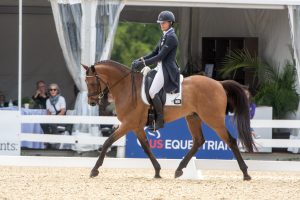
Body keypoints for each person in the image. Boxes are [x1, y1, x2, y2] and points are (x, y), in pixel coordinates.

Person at [131, 10, 180, 130]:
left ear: (170, 23)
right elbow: (154, 52)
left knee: (152, 92)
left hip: (166, 69)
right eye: (160, 23)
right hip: (159, 67)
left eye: (163, 23)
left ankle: (160, 120)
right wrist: (139, 59)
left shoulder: (172, 37)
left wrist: (142, 63)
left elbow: (160, 57)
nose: (161, 25)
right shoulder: (165, 36)